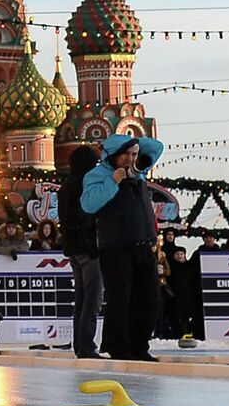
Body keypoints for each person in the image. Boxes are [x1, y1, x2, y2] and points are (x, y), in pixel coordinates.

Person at [82, 133, 167, 361]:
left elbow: (157, 147)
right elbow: (89, 204)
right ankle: (118, 346)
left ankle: (140, 346)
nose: (131, 159)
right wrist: (114, 180)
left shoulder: (138, 173)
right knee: (121, 299)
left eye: (134, 154)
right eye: (126, 154)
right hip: (115, 246)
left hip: (143, 243)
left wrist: (133, 141)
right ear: (113, 155)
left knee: (149, 299)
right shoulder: (96, 175)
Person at [59, 144, 104, 359]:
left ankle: (80, 344)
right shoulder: (85, 183)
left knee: (81, 298)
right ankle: (86, 345)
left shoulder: (66, 185)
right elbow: (85, 216)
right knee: (92, 299)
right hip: (87, 248)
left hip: (73, 249)